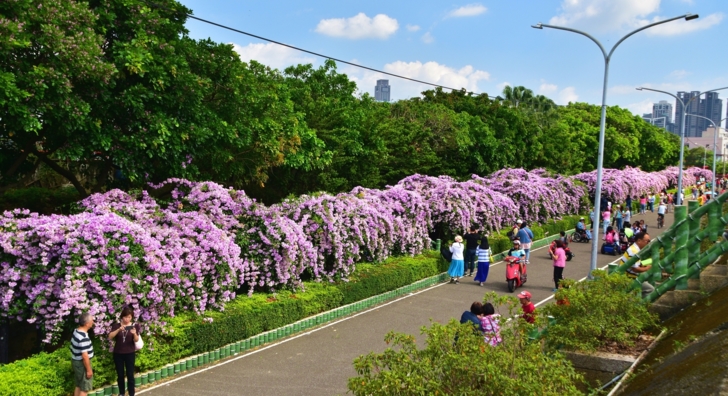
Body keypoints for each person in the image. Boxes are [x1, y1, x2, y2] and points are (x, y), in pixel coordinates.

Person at [109, 306, 141, 396]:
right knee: (120, 374)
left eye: (129, 317)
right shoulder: (116, 325)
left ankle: (131, 393)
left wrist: (134, 333)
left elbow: (136, 340)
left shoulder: (134, 326)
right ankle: (122, 393)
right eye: (125, 317)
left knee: (130, 374)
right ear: (122, 316)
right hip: (118, 353)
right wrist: (119, 329)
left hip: (130, 353)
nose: (127, 319)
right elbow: (110, 337)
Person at [622, 232, 655, 297]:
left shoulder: (635, 249)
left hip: (631, 277)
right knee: (651, 289)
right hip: (629, 278)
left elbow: (636, 264)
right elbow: (635, 269)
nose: (648, 243)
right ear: (639, 241)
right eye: (647, 241)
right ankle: (642, 304)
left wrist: (648, 262)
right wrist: (647, 268)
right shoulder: (634, 252)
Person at [71, 313, 95, 396]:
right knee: (85, 388)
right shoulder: (83, 337)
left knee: (78, 385)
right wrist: (88, 370)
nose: (93, 322)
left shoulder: (76, 331)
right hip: (82, 364)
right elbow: (85, 356)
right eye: (92, 320)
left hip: (76, 362)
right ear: (87, 324)